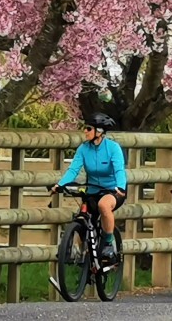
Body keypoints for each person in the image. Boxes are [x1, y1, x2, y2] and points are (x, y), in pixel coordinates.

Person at [51, 112, 127, 262]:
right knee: (82, 217)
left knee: (103, 205)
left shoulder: (113, 148)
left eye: (88, 128)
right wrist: (60, 184)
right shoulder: (83, 149)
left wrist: (121, 187)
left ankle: (108, 244)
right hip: (92, 189)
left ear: (99, 131)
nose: (85, 131)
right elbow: (73, 169)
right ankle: (76, 251)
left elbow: (119, 170)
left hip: (113, 190)